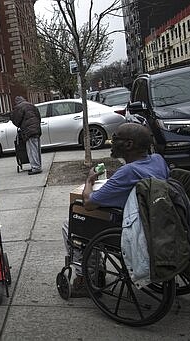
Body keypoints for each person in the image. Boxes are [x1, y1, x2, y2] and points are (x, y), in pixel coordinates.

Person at [63, 123, 170, 297]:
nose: (111, 141)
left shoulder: (128, 172)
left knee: (73, 223)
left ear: (128, 144)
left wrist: (89, 181)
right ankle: (94, 268)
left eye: (115, 138)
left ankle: (86, 278)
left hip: (130, 228)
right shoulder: (158, 160)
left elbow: (89, 203)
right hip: (156, 220)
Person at [11, 96, 42, 175]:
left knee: (31, 150)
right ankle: (38, 165)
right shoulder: (31, 105)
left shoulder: (19, 107)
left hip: (29, 131)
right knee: (37, 149)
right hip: (36, 129)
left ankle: (35, 167)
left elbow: (16, 121)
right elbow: (38, 116)